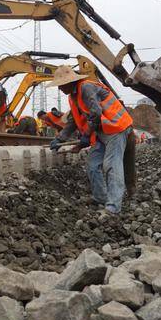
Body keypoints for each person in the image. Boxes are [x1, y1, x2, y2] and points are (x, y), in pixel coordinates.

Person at [49, 65, 133, 215]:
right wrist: (60, 139)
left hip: (116, 127)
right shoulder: (72, 97)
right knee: (93, 165)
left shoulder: (86, 88)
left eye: (61, 85)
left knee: (111, 165)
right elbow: (74, 121)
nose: (60, 89)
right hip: (101, 131)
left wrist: (86, 137)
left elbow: (96, 113)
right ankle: (101, 198)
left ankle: (113, 208)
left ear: (69, 82)